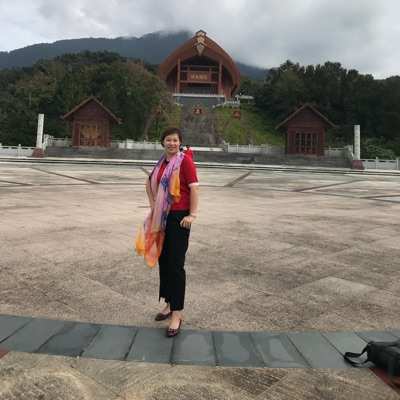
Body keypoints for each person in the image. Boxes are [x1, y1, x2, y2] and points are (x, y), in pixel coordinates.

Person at [135, 127, 199, 337]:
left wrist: (192, 214)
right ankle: (169, 303)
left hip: (179, 218)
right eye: (168, 140)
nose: (172, 143)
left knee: (176, 265)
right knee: (164, 261)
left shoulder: (185, 161)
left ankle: (177, 314)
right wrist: (153, 204)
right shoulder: (161, 162)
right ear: (162, 142)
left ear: (180, 143)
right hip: (162, 217)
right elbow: (148, 183)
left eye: (175, 140)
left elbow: (194, 188)